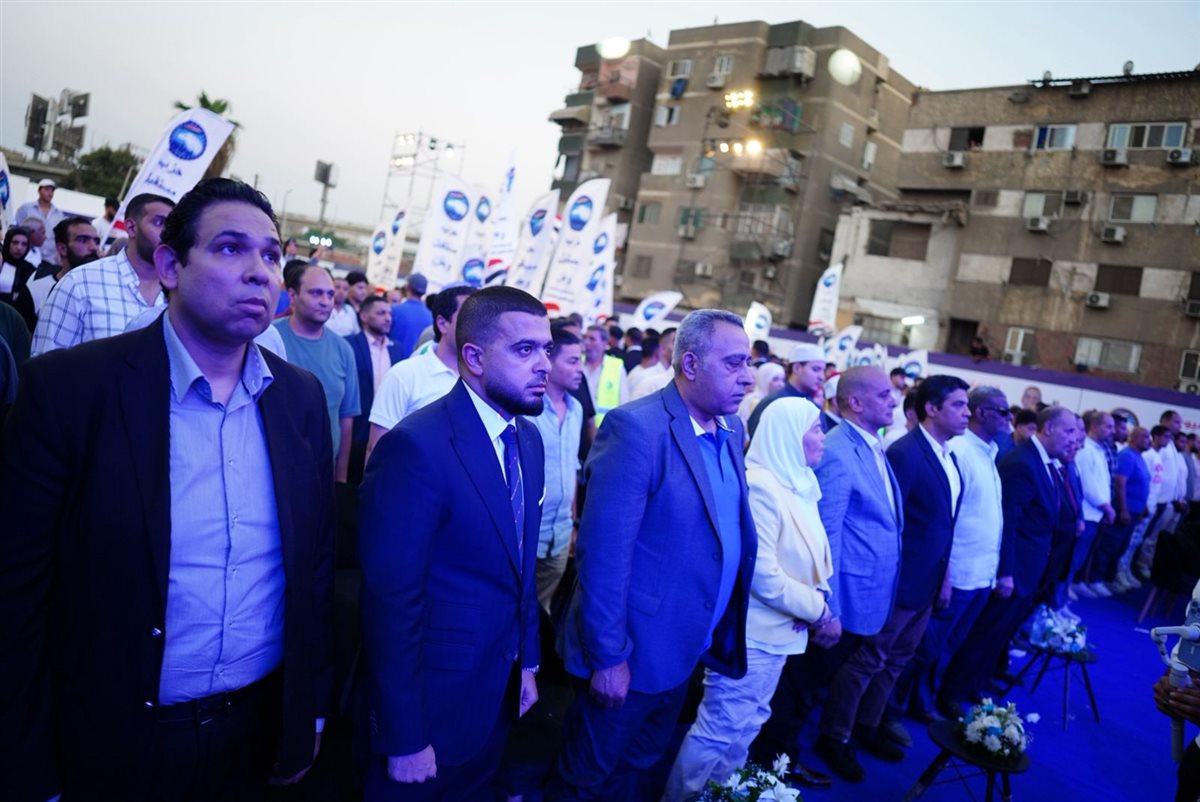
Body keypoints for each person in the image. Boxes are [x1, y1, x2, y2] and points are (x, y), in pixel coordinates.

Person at [0, 178, 334, 800]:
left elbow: (312, 567)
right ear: (171, 265)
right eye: (231, 248)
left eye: (271, 255)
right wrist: (26, 766)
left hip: (254, 734)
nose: (259, 272)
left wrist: (307, 709)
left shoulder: (301, 399)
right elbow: (16, 592)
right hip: (110, 739)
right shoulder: (71, 390)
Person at [550, 309, 758, 800]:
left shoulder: (730, 430)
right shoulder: (637, 429)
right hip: (629, 654)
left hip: (683, 649)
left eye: (748, 363)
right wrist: (609, 657)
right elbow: (604, 557)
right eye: (734, 363)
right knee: (586, 781)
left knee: (637, 774)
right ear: (690, 364)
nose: (748, 377)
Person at [359, 286, 547, 800]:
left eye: (546, 348)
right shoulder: (417, 446)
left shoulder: (528, 439)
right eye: (525, 350)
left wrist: (527, 663)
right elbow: (390, 603)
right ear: (475, 358)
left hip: (496, 691)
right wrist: (403, 734)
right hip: (429, 708)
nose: (543, 365)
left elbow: (521, 567)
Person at [664, 398, 832, 800]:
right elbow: (763, 574)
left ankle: (720, 795)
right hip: (751, 632)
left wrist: (814, 597)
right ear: (789, 435)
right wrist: (817, 609)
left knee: (749, 722)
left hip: (781, 631)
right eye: (816, 429)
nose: (824, 437)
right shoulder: (762, 486)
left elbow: (810, 559)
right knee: (719, 727)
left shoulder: (799, 482)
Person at [752, 366, 901, 787]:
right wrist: (827, 608)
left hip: (859, 598)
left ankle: (779, 763)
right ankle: (774, 769)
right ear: (855, 402)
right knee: (799, 692)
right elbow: (829, 533)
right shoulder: (837, 451)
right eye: (884, 394)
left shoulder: (870, 444)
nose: (893, 401)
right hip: (838, 603)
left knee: (807, 691)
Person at [816, 375, 968, 780]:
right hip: (894, 582)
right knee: (869, 660)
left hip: (924, 578)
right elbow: (857, 524)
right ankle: (836, 734)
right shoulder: (905, 452)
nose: (966, 413)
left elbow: (937, 523)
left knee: (897, 659)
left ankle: (867, 724)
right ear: (932, 408)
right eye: (959, 405)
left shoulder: (945, 455)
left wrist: (944, 575)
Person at [938, 405, 1075, 716]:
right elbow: (1009, 523)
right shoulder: (1023, 462)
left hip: (1031, 571)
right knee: (983, 635)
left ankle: (973, 686)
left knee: (998, 637)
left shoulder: (1044, 463)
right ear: (1049, 428)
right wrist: (1007, 572)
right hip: (1014, 571)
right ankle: (952, 693)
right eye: (1068, 431)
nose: (1072, 438)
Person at [891, 387, 1009, 725]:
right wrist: (947, 573)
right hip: (956, 571)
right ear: (983, 412)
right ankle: (893, 711)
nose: (1009, 418)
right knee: (922, 648)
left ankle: (919, 702)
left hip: (981, 570)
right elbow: (946, 520)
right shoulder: (960, 451)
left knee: (945, 647)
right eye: (1003, 411)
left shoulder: (988, 452)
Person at [31, 193, 174, 356]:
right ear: (131, 228)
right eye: (159, 222)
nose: (168, 232)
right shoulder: (79, 283)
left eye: (173, 226)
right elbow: (45, 363)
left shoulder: (183, 291)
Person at [366, 285, 475, 464]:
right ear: (442, 324)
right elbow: (377, 451)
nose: (478, 326)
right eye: (469, 317)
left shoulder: (483, 381)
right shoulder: (404, 375)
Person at [274, 264, 360, 483]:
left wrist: (340, 478)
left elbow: (346, 418)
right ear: (292, 296)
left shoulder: (343, 350)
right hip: (271, 468)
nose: (325, 301)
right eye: (316, 293)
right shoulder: (268, 338)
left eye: (330, 295)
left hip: (321, 473)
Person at [529, 326, 584, 611]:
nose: (580, 369)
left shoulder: (576, 410)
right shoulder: (528, 409)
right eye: (572, 361)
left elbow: (571, 469)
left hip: (560, 535)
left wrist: (572, 525)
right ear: (549, 362)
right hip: (527, 533)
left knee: (544, 608)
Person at [345, 295, 404, 484]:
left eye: (389, 314)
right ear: (364, 316)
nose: (388, 318)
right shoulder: (349, 345)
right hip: (356, 430)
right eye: (381, 313)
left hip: (387, 430)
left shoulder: (397, 349)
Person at [1094, 425, 1153, 593]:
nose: (1148, 440)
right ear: (1133, 438)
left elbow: (1141, 484)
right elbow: (1120, 484)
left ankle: (1108, 578)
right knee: (1110, 545)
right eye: (1144, 437)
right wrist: (1124, 509)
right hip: (1123, 510)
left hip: (1135, 511)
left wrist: (1143, 506)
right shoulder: (1127, 456)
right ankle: (1096, 579)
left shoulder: (1139, 456)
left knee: (1121, 546)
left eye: (1149, 437)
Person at [1069, 411, 1117, 598]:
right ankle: (1060, 596)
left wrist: (1105, 507)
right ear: (1095, 426)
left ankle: (1068, 589)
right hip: (1087, 513)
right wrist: (1106, 506)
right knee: (1073, 558)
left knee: (1082, 557)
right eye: (1108, 426)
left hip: (1095, 513)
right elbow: (1088, 485)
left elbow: (1102, 482)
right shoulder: (1085, 449)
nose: (1112, 431)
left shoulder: (1099, 449)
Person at [747, 342, 831, 439]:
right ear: (797, 368)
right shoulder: (774, 401)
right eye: (816, 369)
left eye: (823, 371)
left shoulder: (815, 407)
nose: (821, 377)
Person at [23, 217, 102, 319]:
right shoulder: (36, 290)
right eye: (83, 240)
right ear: (62, 249)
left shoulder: (107, 290)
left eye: (96, 241)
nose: (94, 247)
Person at [581, 323, 626, 426]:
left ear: (605, 343)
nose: (586, 342)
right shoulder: (576, 362)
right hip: (578, 425)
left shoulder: (616, 366)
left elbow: (623, 401)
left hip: (604, 428)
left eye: (592, 339)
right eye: (585, 338)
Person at [14, 178, 65, 266]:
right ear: (39, 190)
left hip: (50, 260)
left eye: (52, 190)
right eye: (47, 189)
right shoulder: (26, 208)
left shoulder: (59, 214)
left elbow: (60, 236)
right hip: (27, 256)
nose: (50, 193)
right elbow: (17, 229)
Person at [0, 226, 36, 329]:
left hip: (14, 321)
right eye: (15, 243)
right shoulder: (1, 262)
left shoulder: (30, 270)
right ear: (7, 243)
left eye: (24, 244)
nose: (19, 248)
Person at [389, 272, 432, 357]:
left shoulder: (394, 310)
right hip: (417, 361)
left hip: (394, 359)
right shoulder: (431, 317)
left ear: (407, 287)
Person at [628, 327, 676, 401]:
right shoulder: (645, 376)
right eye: (674, 342)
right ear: (662, 348)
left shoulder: (676, 378)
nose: (680, 347)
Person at [737, 361, 785, 432]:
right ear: (764, 380)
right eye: (775, 379)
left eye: (783, 380)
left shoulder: (769, 399)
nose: (781, 384)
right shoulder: (755, 401)